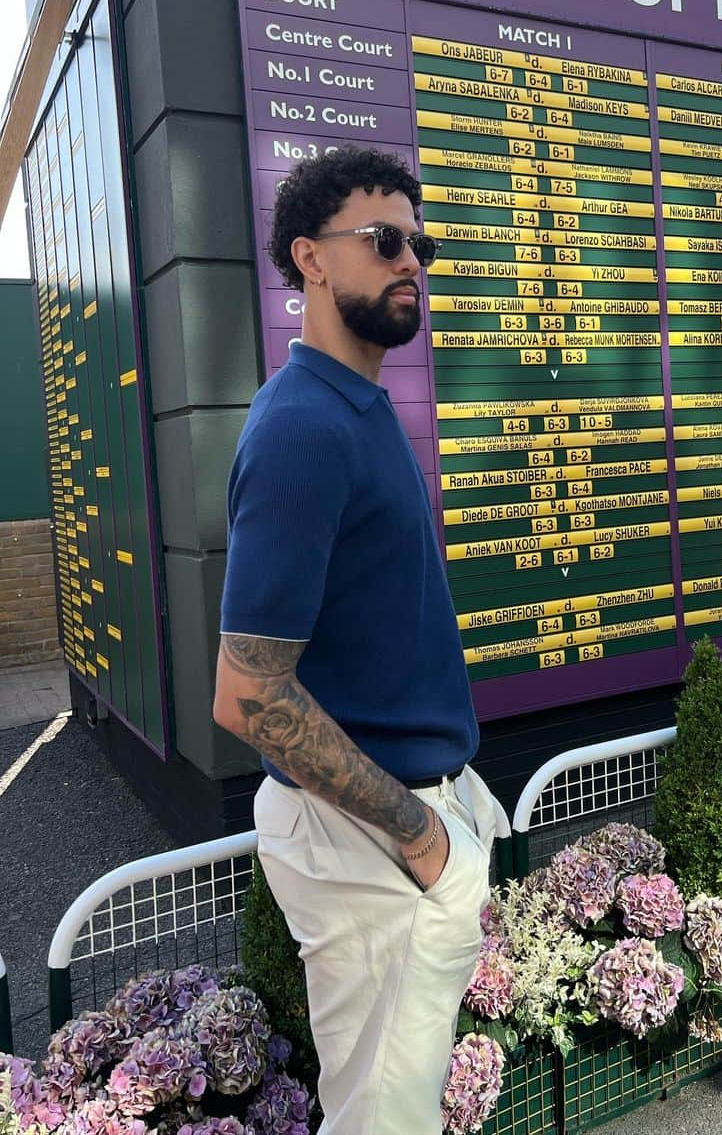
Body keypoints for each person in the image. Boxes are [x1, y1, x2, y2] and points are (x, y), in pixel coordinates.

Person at [212, 146, 495, 1135]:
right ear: (312, 259)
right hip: (367, 839)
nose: (410, 258)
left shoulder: (358, 407)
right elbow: (248, 695)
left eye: (421, 241)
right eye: (383, 240)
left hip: (393, 821)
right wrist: (419, 836)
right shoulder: (304, 429)